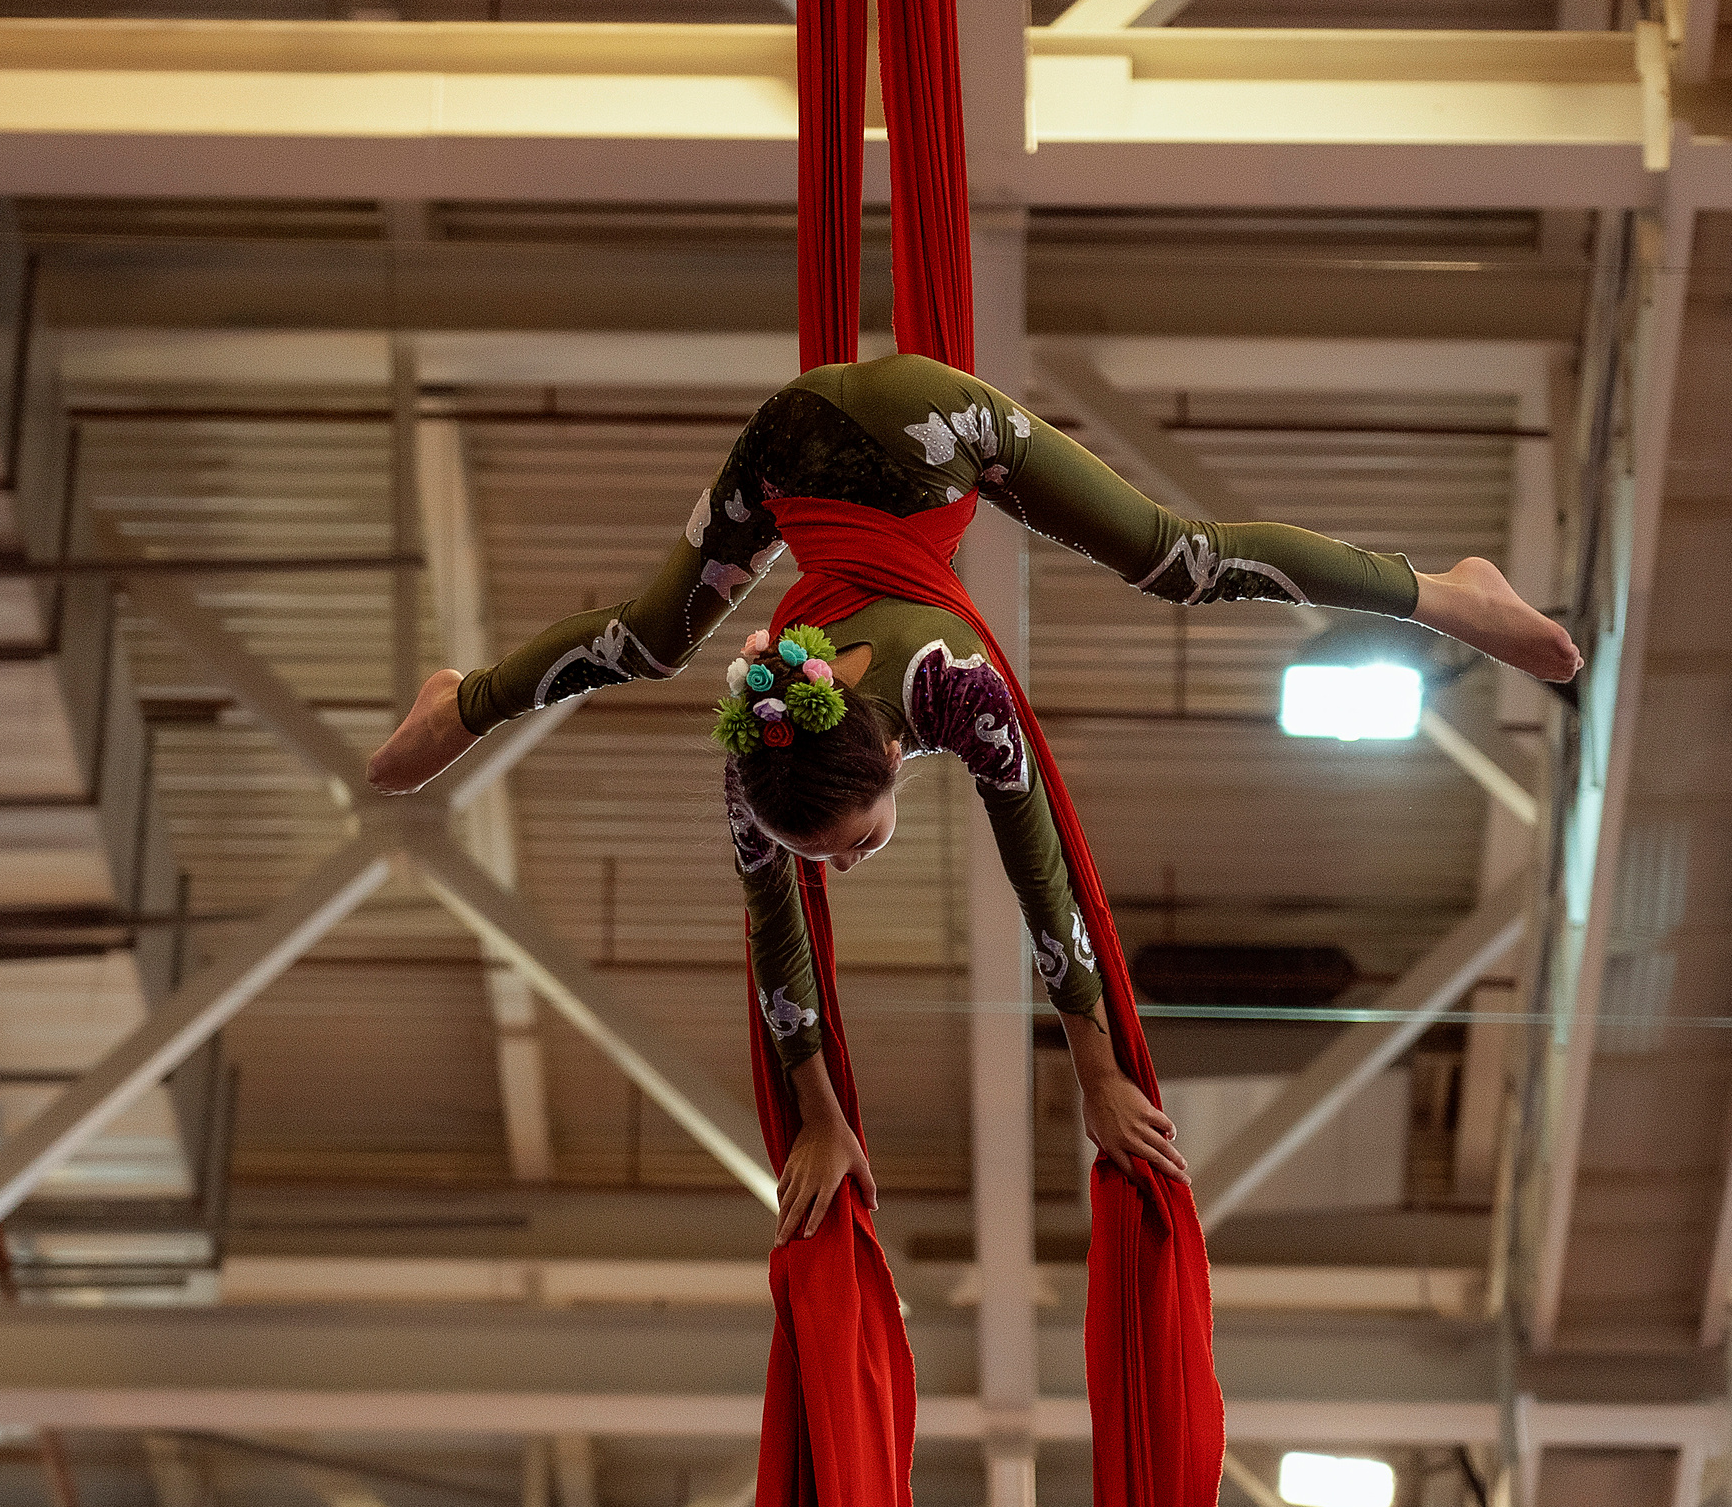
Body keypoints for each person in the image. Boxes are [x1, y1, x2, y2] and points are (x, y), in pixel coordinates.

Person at [367, 353, 1580, 1246]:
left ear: (897, 757)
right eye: (832, 856)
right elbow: (773, 933)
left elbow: (1041, 876)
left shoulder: (961, 696)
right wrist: (818, 1114)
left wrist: (1096, 1070)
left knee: (1175, 556)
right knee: (649, 636)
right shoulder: (765, 765)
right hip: (784, 445)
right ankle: (458, 703)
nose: (838, 869)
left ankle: (1447, 594)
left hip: (927, 427)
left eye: (847, 848)